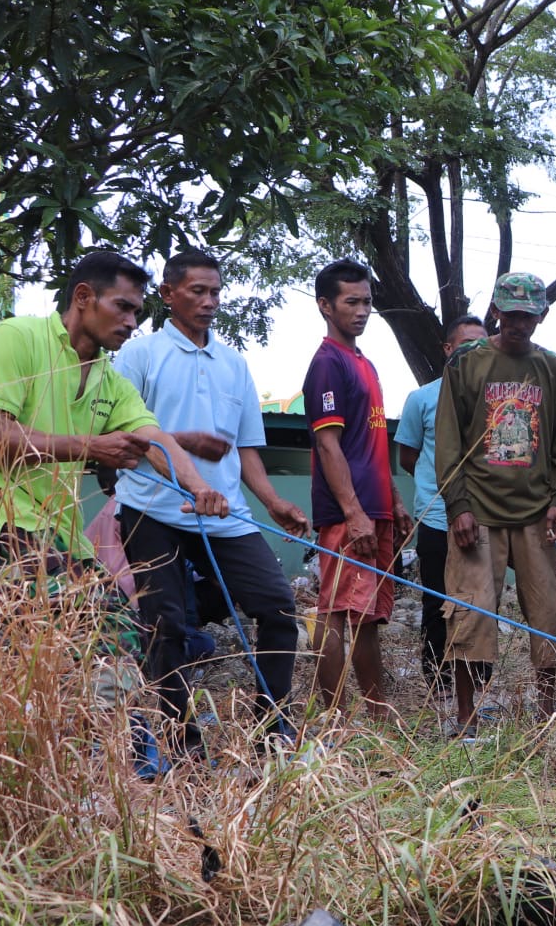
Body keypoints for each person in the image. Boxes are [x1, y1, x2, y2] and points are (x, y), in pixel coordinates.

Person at [113, 249, 309, 752]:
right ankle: (183, 740)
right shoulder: (139, 355)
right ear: (167, 295)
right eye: (197, 291)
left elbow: (245, 449)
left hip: (224, 512)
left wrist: (271, 502)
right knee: (166, 625)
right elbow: (119, 439)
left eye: (215, 292)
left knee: (278, 607)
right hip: (152, 510)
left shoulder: (233, 363)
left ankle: (272, 730)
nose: (208, 301)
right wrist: (187, 443)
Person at [0, 250, 228, 573]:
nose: (131, 323)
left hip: (64, 535)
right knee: (89, 618)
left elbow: (153, 438)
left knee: (122, 623)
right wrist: (92, 447)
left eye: (136, 312)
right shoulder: (18, 336)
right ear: (83, 296)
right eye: (122, 307)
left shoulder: (109, 378)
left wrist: (200, 489)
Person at [434, 272, 556, 730]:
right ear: (496, 311)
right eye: (512, 315)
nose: (520, 325)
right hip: (478, 512)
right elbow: (448, 439)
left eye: (529, 317)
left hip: (537, 512)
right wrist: (457, 506)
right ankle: (466, 714)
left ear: (542, 316)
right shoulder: (466, 363)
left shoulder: (553, 369)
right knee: (468, 613)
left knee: (549, 612)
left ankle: (546, 708)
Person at [303, 259, 413, 719]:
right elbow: (328, 445)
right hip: (349, 514)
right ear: (326, 306)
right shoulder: (327, 363)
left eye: (367, 301)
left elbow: (372, 444)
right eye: (352, 302)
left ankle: (377, 711)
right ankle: (333, 717)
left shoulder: (363, 362)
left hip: (376, 507)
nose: (363, 311)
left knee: (366, 614)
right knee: (332, 610)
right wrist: (353, 513)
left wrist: (394, 500)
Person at [396, 313, 486, 702]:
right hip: (436, 516)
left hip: (485, 516)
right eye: (464, 344)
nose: (472, 352)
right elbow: (408, 456)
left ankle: (479, 683)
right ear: (447, 348)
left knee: (480, 603)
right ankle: (439, 682)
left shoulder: (495, 397)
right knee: (437, 602)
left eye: (481, 345)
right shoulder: (422, 398)